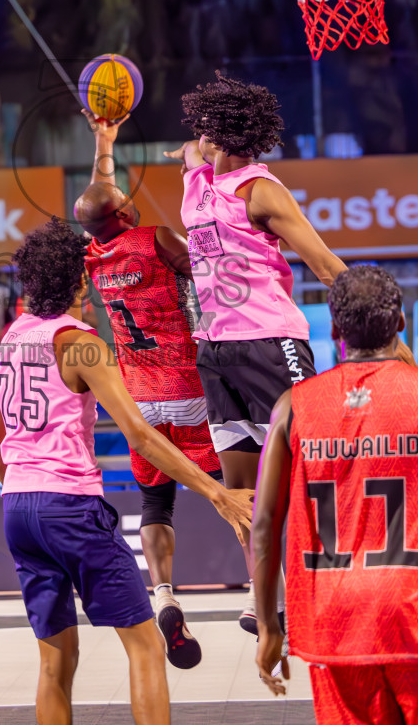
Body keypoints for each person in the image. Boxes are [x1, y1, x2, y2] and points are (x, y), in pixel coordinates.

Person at [0, 217, 254, 725]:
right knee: (147, 647)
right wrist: (217, 493)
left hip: (17, 508)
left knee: (54, 663)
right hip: (70, 506)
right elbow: (141, 437)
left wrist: (28, 496)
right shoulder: (81, 343)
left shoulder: (10, 340)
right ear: (80, 281)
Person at [165, 71, 346, 632]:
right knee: (241, 489)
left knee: (307, 474)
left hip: (272, 344)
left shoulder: (262, 191)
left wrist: (379, 333)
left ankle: (333, 583)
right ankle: (267, 595)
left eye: (205, 129)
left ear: (221, 136)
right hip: (216, 352)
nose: (197, 136)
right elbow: (192, 149)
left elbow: (325, 265)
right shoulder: (196, 181)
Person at [252, 265, 418, 724]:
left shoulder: (293, 405)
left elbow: (263, 525)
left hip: (333, 617)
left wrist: (268, 626)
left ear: (333, 328)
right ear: (400, 323)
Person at [74, 110, 222, 670]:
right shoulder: (156, 237)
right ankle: (262, 598)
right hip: (189, 388)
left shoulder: (92, 255)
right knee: (230, 491)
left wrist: (102, 140)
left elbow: (99, 200)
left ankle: (163, 595)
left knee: (158, 503)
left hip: (140, 403)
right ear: (129, 212)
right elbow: (208, 273)